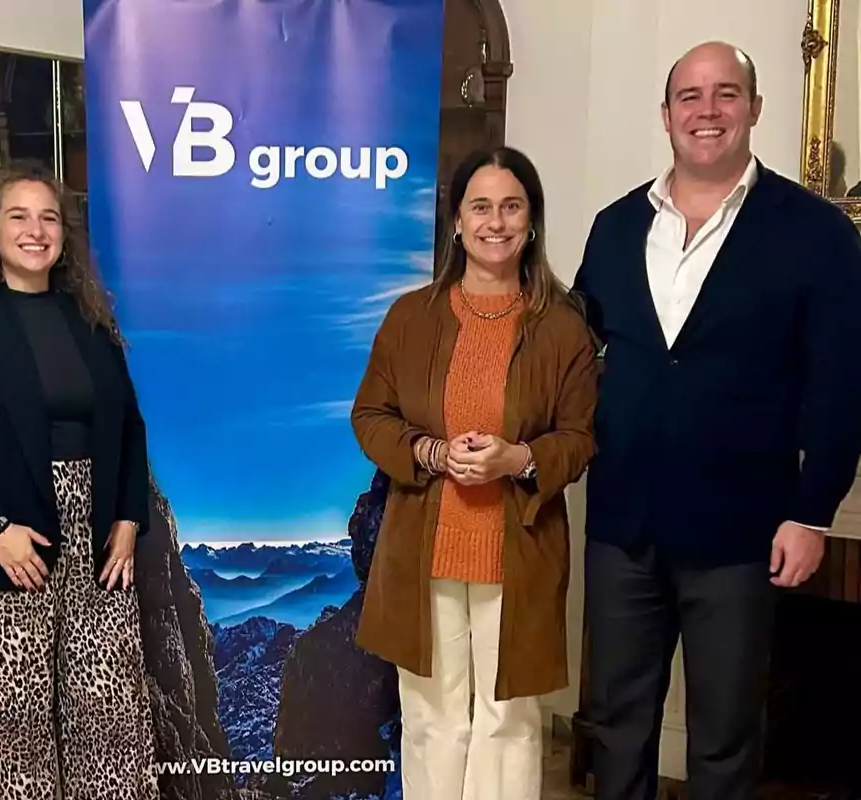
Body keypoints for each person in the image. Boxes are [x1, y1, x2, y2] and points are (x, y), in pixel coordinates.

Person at [573, 42, 861, 800]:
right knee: (616, 722)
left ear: (755, 109)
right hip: (622, 525)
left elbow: (841, 384)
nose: (707, 111)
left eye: (726, 94)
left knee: (726, 735)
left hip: (743, 531)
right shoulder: (613, 227)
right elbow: (575, 360)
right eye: (690, 97)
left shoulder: (817, 234)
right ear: (666, 115)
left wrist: (813, 512)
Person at [350, 146, 599, 800]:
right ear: (456, 223)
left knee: (509, 721)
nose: (496, 222)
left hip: (518, 547)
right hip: (423, 547)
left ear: (532, 220)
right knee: (431, 718)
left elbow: (580, 438)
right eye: (480, 207)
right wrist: (430, 452)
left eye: (511, 206)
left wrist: (519, 459)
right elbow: (370, 414)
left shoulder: (563, 327)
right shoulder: (411, 317)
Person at [0, 160, 158, 800]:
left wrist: (129, 522)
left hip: (100, 549)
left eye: (48, 217)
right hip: (7, 546)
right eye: (17, 217)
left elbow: (130, 428)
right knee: (21, 730)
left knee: (112, 722)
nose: (35, 230)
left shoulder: (92, 322)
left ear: (63, 235)